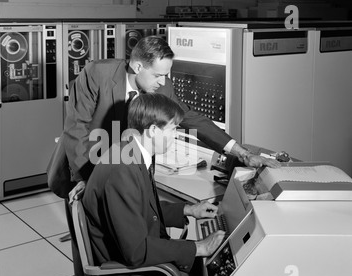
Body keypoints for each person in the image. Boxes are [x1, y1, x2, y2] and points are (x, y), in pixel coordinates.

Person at [62, 35, 280, 202]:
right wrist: (86, 178)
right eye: (158, 75)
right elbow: (77, 127)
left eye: (166, 75)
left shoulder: (163, 87)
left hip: (133, 168)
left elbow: (192, 119)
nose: (163, 82)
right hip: (89, 162)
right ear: (138, 67)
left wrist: (242, 153)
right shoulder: (97, 74)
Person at [82, 93, 226, 276]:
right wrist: (198, 246)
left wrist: (188, 209)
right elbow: (137, 251)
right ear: (152, 131)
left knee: (206, 268)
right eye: (173, 128)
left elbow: (139, 210)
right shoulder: (123, 171)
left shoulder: (129, 153)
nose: (176, 134)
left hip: (139, 264)